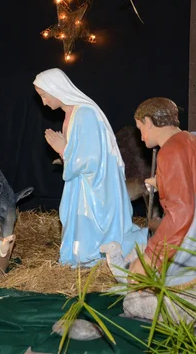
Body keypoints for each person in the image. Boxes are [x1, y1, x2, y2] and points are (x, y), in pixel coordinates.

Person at [33, 68, 147, 267]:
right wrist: (65, 151)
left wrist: (64, 150)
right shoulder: (73, 114)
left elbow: (92, 158)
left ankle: (103, 255)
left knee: (91, 234)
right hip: (83, 185)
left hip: (96, 187)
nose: (43, 102)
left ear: (56, 89)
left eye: (44, 95)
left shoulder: (85, 113)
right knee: (78, 227)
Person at [128, 97, 196, 285]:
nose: (141, 137)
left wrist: (151, 257)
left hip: (189, 237)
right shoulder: (189, 139)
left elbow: (181, 210)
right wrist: (163, 182)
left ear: (148, 122)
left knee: (137, 298)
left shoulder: (170, 151)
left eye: (140, 129)